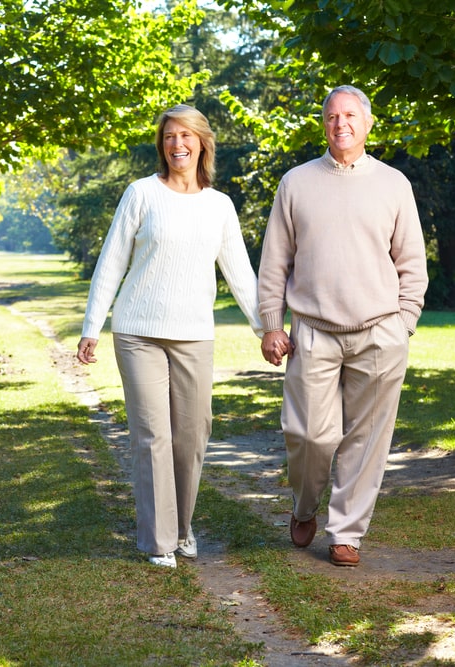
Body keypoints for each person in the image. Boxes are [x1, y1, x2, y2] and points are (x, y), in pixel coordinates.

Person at [77, 104, 265, 568]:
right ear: (161, 146)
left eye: (186, 136)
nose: (177, 144)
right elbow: (112, 262)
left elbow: (240, 273)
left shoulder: (219, 206)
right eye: (168, 137)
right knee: (152, 436)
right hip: (138, 332)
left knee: (192, 435)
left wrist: (267, 327)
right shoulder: (141, 194)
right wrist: (91, 327)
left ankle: (182, 529)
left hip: (194, 336)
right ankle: (158, 541)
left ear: (202, 143)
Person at [258, 85, 429, 567]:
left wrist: (404, 323)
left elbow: (412, 263)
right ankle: (304, 506)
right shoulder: (296, 182)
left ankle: (346, 532)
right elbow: (274, 263)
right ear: (324, 125)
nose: (341, 124)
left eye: (350, 115)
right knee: (310, 435)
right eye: (332, 116)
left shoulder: (395, 184)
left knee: (367, 438)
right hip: (311, 330)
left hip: (380, 331)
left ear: (368, 123)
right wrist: (272, 324)